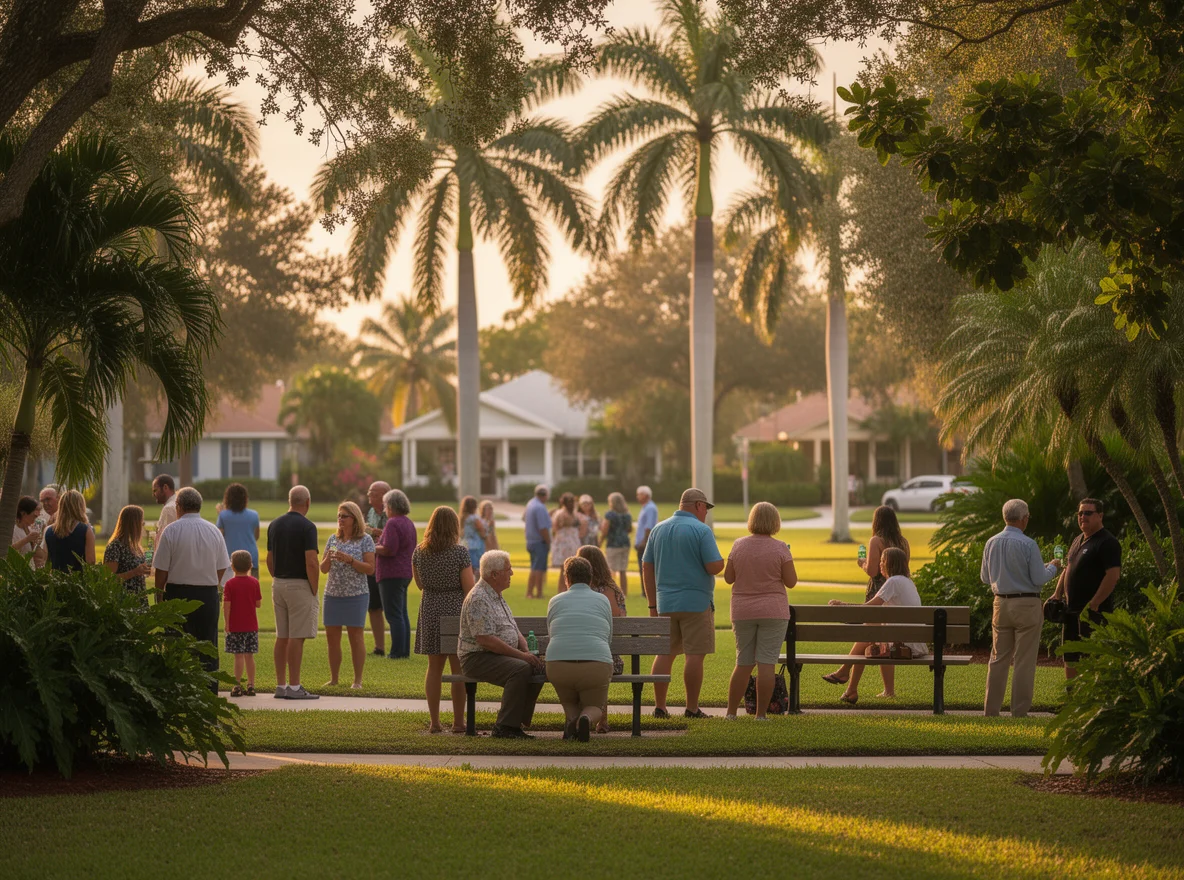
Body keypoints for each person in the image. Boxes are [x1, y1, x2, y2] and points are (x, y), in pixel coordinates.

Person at [643, 488, 725, 718]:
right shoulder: (702, 531)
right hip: (696, 602)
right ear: (699, 505)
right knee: (695, 655)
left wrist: (652, 605)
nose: (706, 513)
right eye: (706, 508)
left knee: (664, 654)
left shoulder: (658, 529)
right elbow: (713, 566)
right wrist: (724, 563)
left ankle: (660, 706)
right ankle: (691, 707)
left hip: (665, 603)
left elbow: (646, 566)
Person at [980, 499, 1062, 717]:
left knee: (998, 659)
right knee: (1024, 660)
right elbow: (1038, 578)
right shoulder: (1028, 544)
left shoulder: (991, 542)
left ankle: (991, 710)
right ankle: (1019, 711)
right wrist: (1053, 568)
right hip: (1027, 604)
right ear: (1024, 518)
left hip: (1001, 603)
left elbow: (985, 578)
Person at [458, 550, 545, 738]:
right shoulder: (479, 598)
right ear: (494, 574)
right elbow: (485, 640)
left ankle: (518, 721)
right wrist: (522, 656)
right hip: (477, 657)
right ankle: (505, 727)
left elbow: (513, 629)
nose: (512, 573)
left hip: (496, 655)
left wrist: (527, 650)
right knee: (521, 668)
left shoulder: (495, 595)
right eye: (508, 569)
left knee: (538, 666)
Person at [724, 502, 797, 720]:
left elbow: (729, 578)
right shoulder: (781, 547)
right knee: (766, 664)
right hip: (773, 611)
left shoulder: (738, 545)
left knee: (743, 663)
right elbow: (791, 582)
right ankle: (761, 715)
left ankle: (730, 713)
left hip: (743, 611)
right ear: (775, 522)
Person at [152, 488, 229, 693]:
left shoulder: (171, 530)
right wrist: (213, 582)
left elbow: (161, 571)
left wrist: (159, 598)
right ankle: (209, 697)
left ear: (179, 507)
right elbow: (223, 565)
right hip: (207, 594)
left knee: (178, 648)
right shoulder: (213, 530)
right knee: (208, 648)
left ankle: (179, 695)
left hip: (178, 594)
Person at [824, 505, 911, 687]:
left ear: (876, 522)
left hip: (879, 591)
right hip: (897, 598)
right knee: (876, 637)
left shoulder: (876, 541)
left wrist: (862, 564)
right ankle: (879, 689)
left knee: (867, 635)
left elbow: (873, 571)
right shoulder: (903, 542)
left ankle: (845, 676)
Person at [827, 547, 927, 704]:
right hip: (915, 643)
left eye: (882, 561)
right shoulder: (908, 582)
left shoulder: (893, 582)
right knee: (871, 630)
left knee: (869, 630)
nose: (880, 564)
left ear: (889, 564)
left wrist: (843, 605)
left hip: (903, 646)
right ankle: (855, 688)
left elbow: (870, 607)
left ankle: (844, 672)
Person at [413, 505, 475, 733]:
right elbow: (469, 587)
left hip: (429, 608)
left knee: (434, 668)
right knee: (458, 669)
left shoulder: (419, 551)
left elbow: (419, 584)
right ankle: (459, 723)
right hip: (454, 610)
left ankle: (434, 722)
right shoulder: (460, 553)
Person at [1049, 497, 1122, 680]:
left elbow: (1113, 575)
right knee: (1070, 658)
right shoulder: (1077, 540)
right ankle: (1072, 699)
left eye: (1088, 513)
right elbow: (1068, 569)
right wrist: (1056, 595)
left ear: (1100, 515)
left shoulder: (1107, 542)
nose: (1083, 517)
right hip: (1071, 611)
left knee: (1094, 659)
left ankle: (1095, 703)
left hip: (1094, 613)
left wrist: (1094, 604)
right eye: (1080, 513)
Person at [546, 555, 614, 742]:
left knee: (568, 700)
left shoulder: (555, 601)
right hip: (596, 664)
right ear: (590, 578)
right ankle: (585, 719)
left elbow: (551, 634)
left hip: (558, 665)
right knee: (595, 707)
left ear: (567, 578)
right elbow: (608, 637)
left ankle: (573, 719)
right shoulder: (602, 600)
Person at [266, 485, 321, 700]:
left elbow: (270, 559)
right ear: (307, 502)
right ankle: (296, 687)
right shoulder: (308, 527)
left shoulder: (274, 524)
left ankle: (281, 685)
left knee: (282, 636)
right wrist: (313, 588)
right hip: (300, 585)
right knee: (297, 637)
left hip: (278, 583)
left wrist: (277, 576)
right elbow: (311, 561)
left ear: (290, 501)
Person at [320, 501, 377, 689]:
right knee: (332, 638)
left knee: (356, 637)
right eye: (339, 516)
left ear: (354, 519)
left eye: (344, 516)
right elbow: (323, 569)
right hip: (333, 594)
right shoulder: (333, 540)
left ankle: (357, 681)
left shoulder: (365, 540)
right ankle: (334, 679)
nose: (340, 520)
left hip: (356, 594)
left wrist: (351, 560)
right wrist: (328, 557)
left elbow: (370, 569)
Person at [577, 545, 627, 733]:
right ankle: (600, 719)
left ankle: (583, 716)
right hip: (611, 658)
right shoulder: (614, 590)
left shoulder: (579, 592)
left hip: (586, 655)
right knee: (598, 662)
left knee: (584, 662)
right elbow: (620, 621)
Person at [375, 489, 416, 659]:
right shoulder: (407, 522)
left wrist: (372, 547)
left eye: (385, 505)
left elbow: (389, 549)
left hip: (392, 573)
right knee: (401, 613)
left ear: (391, 505)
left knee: (393, 614)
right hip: (405, 572)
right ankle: (403, 650)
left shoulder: (392, 523)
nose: (384, 509)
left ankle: (397, 652)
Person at [223, 549, 262, 697]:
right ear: (250, 565)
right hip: (251, 626)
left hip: (235, 626)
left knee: (238, 656)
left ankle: (237, 685)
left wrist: (227, 623)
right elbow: (258, 604)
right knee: (249, 655)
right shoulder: (254, 582)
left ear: (232, 566)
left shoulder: (230, 584)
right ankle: (251, 685)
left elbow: (227, 605)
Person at [103, 505, 151, 603]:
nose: (143, 526)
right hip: (123, 603)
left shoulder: (135, 546)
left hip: (139, 600)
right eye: (142, 522)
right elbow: (108, 579)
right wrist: (134, 572)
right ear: (133, 524)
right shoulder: (115, 547)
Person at [364, 480, 391, 657]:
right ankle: (379, 647)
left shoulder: (392, 513)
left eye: (373, 493)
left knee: (392, 610)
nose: (369, 495)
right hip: (372, 563)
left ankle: (398, 648)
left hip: (389, 566)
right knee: (373, 607)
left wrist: (372, 531)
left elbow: (392, 537)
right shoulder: (371, 512)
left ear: (383, 496)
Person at [216, 482, 260, 579]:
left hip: (230, 559)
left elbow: (220, 536)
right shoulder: (254, 515)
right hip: (251, 557)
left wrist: (221, 513)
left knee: (231, 591)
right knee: (252, 590)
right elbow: (256, 536)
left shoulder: (223, 515)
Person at [44, 489, 96, 572]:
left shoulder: (48, 530)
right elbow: (91, 560)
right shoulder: (86, 529)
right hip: (78, 580)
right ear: (80, 506)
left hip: (56, 579)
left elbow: (46, 559)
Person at [600, 492, 633, 594]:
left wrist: (600, 541)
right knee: (623, 570)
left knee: (611, 569)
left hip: (613, 543)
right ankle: (624, 593)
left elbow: (605, 530)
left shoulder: (610, 515)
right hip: (625, 543)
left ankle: (612, 592)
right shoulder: (627, 515)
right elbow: (629, 529)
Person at [523, 484, 551, 599]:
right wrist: (548, 541)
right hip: (539, 541)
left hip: (530, 541)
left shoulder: (530, 504)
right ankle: (537, 593)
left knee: (534, 567)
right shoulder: (540, 507)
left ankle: (530, 592)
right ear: (545, 495)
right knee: (539, 568)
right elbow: (543, 528)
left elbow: (523, 518)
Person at [552, 492, 581, 592]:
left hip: (573, 542)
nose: (571, 504)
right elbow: (556, 528)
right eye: (569, 502)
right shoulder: (561, 513)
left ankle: (568, 590)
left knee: (569, 569)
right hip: (564, 544)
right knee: (563, 569)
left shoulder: (573, 513)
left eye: (572, 501)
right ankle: (561, 590)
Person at [11, 495, 48, 569]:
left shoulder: (29, 529)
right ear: (23, 513)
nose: (34, 520)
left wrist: (36, 542)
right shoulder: (12, 529)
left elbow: (40, 556)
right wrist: (27, 539)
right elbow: (8, 551)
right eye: (33, 516)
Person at [635, 485, 658, 582]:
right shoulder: (645, 507)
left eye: (640, 494)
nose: (637, 497)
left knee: (645, 568)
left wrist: (644, 541)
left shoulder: (650, 508)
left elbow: (648, 527)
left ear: (646, 495)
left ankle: (646, 591)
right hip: (641, 542)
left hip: (645, 543)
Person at [461, 494, 487, 571]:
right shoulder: (474, 518)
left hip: (465, 544)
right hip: (476, 545)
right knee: (477, 568)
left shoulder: (463, 517)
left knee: (468, 568)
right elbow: (481, 530)